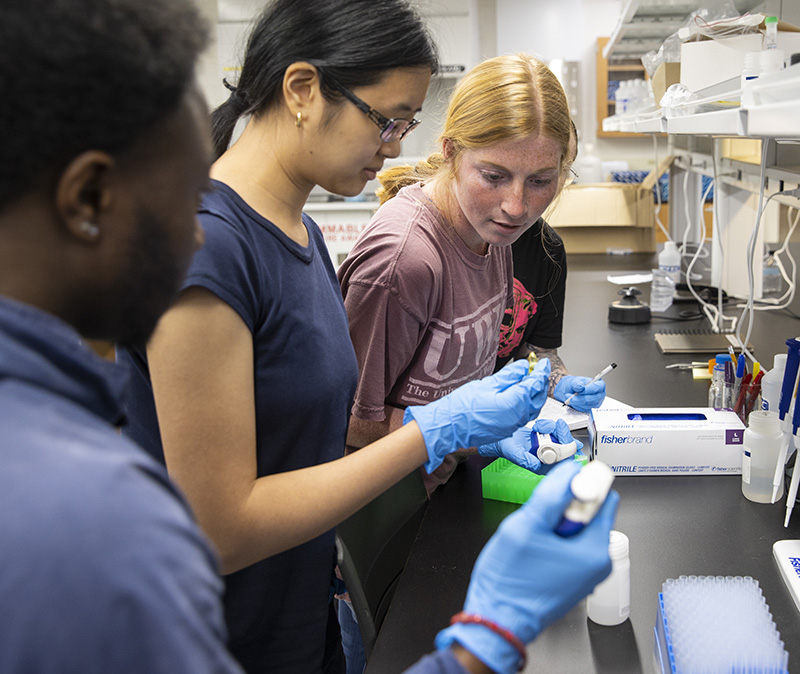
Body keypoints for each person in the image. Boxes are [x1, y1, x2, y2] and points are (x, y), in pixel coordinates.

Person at [114, 2, 553, 673]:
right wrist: (432, 431)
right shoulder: (206, 250)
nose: (398, 144)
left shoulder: (299, 232)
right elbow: (220, 528)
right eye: (388, 119)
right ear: (301, 90)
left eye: (407, 123)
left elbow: (309, 449)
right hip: (215, 637)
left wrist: (464, 431)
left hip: (299, 610)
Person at [0, 0, 241, 671]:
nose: (197, 237)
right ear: (89, 199)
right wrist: (474, 649)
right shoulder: (105, 529)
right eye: (190, 201)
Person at [337, 54, 606, 497]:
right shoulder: (404, 262)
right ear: (450, 152)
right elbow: (342, 419)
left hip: (435, 492)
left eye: (541, 180)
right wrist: (453, 429)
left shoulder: (490, 230)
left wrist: (487, 428)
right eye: (494, 176)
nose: (517, 205)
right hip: (380, 517)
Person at [494, 123, 603, 411]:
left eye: (543, 179)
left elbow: (536, 352)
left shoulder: (547, 251)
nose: (518, 205)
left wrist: (561, 383)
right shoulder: (428, 247)